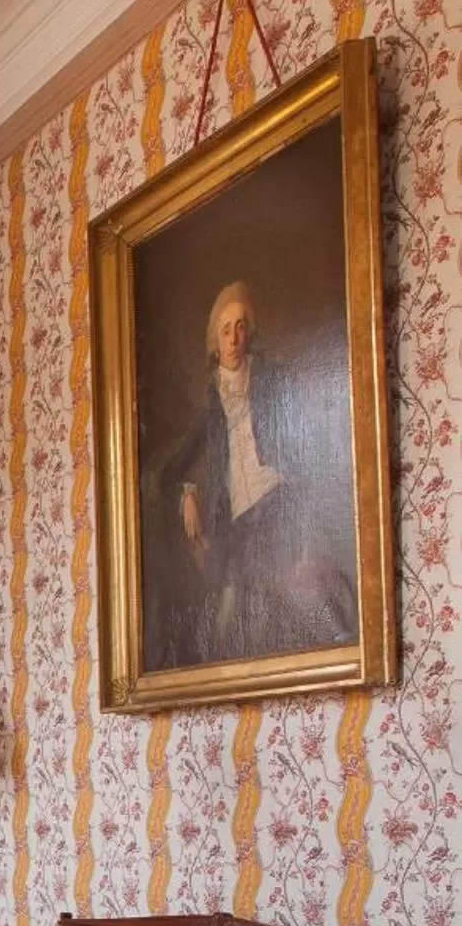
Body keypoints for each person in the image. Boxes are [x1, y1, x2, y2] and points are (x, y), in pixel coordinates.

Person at [148, 281, 353, 668]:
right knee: (232, 597)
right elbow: (170, 470)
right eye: (226, 329)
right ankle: (217, 670)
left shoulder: (272, 378)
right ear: (215, 341)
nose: (234, 338)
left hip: (276, 493)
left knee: (275, 583)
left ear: (250, 332)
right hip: (237, 514)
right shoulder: (212, 400)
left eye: (241, 326)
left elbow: (305, 441)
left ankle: (337, 640)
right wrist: (187, 491)